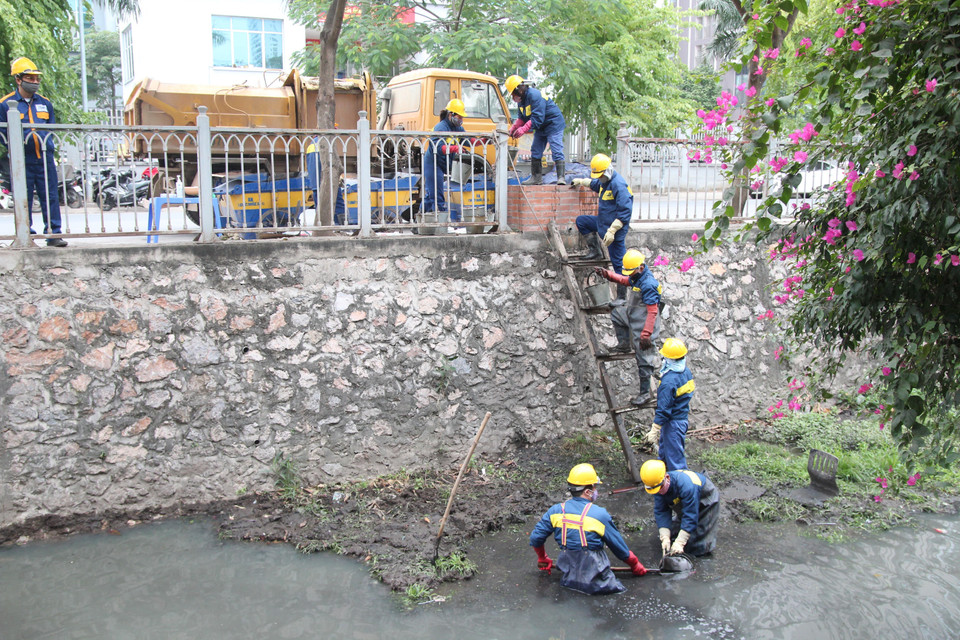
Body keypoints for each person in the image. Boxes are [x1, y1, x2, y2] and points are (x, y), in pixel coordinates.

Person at [529, 463, 646, 594]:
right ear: (587, 491)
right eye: (594, 487)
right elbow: (619, 549)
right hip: (597, 582)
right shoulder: (599, 515)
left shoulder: (555, 511)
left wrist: (543, 557)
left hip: (568, 579)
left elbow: (535, 538)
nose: (596, 490)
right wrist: (635, 565)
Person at [0, 57, 67, 247]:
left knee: (50, 195)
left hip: (44, 157)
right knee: (24, 196)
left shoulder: (45, 103)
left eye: (37, 79)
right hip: (22, 160)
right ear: (18, 80)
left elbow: (51, 129)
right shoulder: (6, 103)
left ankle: (54, 234)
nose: (35, 82)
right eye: (30, 78)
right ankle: (26, 234)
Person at [594, 249, 662, 407]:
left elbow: (652, 312)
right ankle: (624, 344)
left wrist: (646, 335)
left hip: (644, 325)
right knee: (617, 313)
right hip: (633, 316)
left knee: (644, 360)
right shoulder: (637, 276)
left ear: (641, 267)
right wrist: (607, 274)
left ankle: (645, 394)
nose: (630, 274)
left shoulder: (648, 284)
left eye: (631, 271)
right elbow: (625, 281)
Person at [570, 154, 632, 293]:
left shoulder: (619, 185)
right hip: (602, 223)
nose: (599, 178)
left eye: (600, 175)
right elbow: (595, 184)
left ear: (608, 170)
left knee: (619, 266)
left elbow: (625, 213)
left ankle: (621, 297)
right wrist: (580, 181)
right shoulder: (605, 182)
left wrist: (612, 231)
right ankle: (595, 251)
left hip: (615, 232)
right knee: (582, 222)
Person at [640, 459, 719, 557]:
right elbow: (661, 511)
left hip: (706, 500)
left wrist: (681, 542)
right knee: (672, 535)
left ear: (667, 477)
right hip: (684, 502)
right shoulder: (656, 485)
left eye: (660, 488)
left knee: (696, 546)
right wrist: (664, 536)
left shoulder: (686, 485)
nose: (658, 492)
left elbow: (690, 514)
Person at [505, 75, 566, 185]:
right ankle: (536, 178)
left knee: (556, 149)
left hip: (553, 123)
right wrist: (514, 128)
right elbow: (522, 118)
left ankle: (561, 178)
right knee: (535, 150)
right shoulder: (521, 102)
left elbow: (537, 117)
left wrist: (523, 129)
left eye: (513, 94)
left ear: (519, 89)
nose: (513, 98)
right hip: (541, 126)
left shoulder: (534, 95)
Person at [645, 338, 695, 470]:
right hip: (680, 420)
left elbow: (664, 409)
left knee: (675, 462)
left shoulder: (669, 381)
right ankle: (667, 485)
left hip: (672, 423)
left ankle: (681, 486)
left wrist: (655, 429)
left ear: (668, 358)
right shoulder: (685, 372)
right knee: (665, 456)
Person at [421, 99, 467, 222]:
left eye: (462, 117)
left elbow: (467, 140)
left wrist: (482, 140)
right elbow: (439, 148)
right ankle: (439, 224)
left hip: (443, 164)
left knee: (430, 196)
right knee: (436, 196)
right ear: (450, 114)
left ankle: (419, 221)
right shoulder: (440, 127)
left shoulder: (458, 129)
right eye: (459, 116)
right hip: (433, 163)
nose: (461, 119)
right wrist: (456, 148)